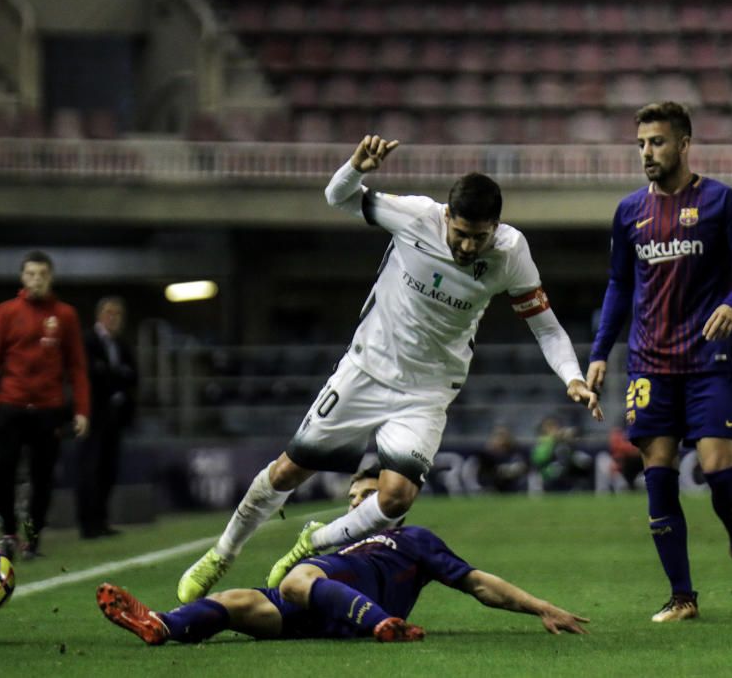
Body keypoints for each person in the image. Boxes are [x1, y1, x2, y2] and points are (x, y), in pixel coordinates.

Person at [178, 134, 603, 603]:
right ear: (446, 215)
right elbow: (337, 197)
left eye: (478, 237)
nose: (466, 246)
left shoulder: (510, 252)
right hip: (366, 370)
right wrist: (356, 167)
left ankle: (311, 543)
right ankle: (222, 552)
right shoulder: (415, 215)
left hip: (428, 390)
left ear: (496, 228)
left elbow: (546, 327)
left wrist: (573, 377)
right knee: (287, 472)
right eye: (460, 233)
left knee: (396, 497)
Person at [586, 102, 732, 622]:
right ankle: (683, 596)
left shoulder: (719, 201)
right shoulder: (629, 212)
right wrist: (600, 353)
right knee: (658, 471)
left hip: (707, 360)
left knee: (718, 468)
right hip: (649, 363)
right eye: (642, 143)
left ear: (684, 143)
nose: (648, 152)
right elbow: (620, 286)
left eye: (658, 142)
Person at [100, 467, 590, 644]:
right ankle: (161, 625)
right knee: (238, 602)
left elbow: (478, 583)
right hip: (322, 613)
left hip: (347, 601)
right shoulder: (341, 539)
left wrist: (539, 606)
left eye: (371, 494)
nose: (359, 503)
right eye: (355, 497)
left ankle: (381, 624)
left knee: (294, 580)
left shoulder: (414, 538)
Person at [0, 250, 90, 559]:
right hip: (10, 406)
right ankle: (8, 533)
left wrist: (81, 410)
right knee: (3, 471)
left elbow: (77, 367)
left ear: (50, 277)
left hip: (48, 410)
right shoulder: (5, 312)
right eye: (31, 274)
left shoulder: (65, 315)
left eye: (42, 274)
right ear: (22, 277)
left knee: (43, 477)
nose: (36, 280)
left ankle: (33, 538)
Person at [78, 296, 137, 538]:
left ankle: (102, 520)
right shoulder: (88, 342)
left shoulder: (122, 345)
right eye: (109, 313)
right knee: (89, 470)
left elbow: (132, 377)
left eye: (117, 314)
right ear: (99, 316)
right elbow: (92, 376)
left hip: (115, 419)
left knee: (108, 471)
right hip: (92, 417)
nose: (113, 319)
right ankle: (88, 524)